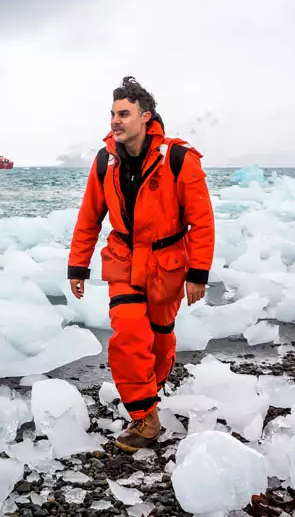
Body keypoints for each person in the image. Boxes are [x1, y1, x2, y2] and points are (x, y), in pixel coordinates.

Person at [67, 76, 215, 452]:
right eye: (113, 114)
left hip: (167, 263)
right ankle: (145, 418)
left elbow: (202, 220)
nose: (115, 121)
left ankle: (152, 385)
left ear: (145, 116)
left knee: (160, 338)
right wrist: (77, 265)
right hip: (123, 258)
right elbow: (89, 218)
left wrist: (198, 273)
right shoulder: (105, 161)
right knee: (129, 336)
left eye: (124, 114)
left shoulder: (179, 160)